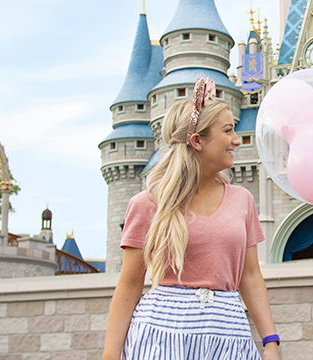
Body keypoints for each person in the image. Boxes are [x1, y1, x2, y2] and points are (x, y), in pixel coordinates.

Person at [104, 78, 279, 360]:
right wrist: (110, 357)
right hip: (160, 340)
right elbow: (129, 284)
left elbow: (250, 276)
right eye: (228, 130)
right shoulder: (148, 204)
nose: (237, 140)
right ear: (197, 141)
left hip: (229, 337)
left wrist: (270, 342)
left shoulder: (242, 200)